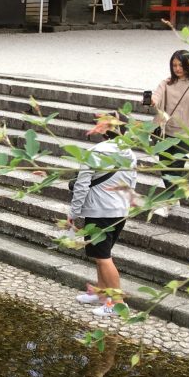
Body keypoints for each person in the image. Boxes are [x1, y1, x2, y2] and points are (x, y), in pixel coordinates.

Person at [68, 113, 137, 318]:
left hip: (100, 211)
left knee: (104, 257)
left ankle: (117, 303)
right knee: (100, 257)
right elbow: (132, 183)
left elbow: (82, 186)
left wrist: (74, 212)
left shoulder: (94, 152)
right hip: (120, 210)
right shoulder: (130, 153)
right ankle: (101, 294)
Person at [151, 49, 189, 216]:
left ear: (188, 65)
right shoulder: (167, 83)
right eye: (174, 65)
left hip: (186, 136)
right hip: (165, 134)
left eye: (180, 65)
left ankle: (170, 202)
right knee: (165, 169)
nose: (177, 69)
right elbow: (157, 96)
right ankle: (174, 199)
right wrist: (152, 100)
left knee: (176, 168)